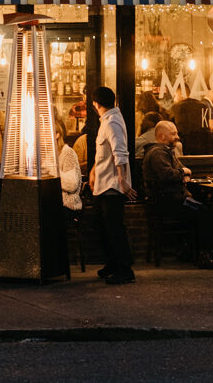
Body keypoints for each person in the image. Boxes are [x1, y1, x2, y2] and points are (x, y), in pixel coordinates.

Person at [142, 121, 213, 268]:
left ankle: (190, 252)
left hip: (170, 200)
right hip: (169, 203)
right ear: (161, 135)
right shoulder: (158, 152)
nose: (177, 137)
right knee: (205, 213)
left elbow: (178, 169)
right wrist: (183, 173)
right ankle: (205, 256)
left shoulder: (164, 151)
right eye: (173, 134)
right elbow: (168, 174)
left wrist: (182, 172)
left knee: (203, 210)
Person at [89, 86, 136, 284]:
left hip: (112, 186)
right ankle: (113, 263)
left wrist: (123, 181)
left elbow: (120, 152)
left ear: (96, 104)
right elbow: (106, 153)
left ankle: (125, 269)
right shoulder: (108, 120)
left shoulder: (112, 122)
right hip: (103, 184)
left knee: (114, 228)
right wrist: (93, 171)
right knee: (102, 226)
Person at [55, 122, 82, 212]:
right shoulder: (46, 155)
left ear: (57, 134)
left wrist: (51, 172)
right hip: (52, 204)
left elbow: (72, 184)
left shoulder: (67, 152)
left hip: (66, 207)